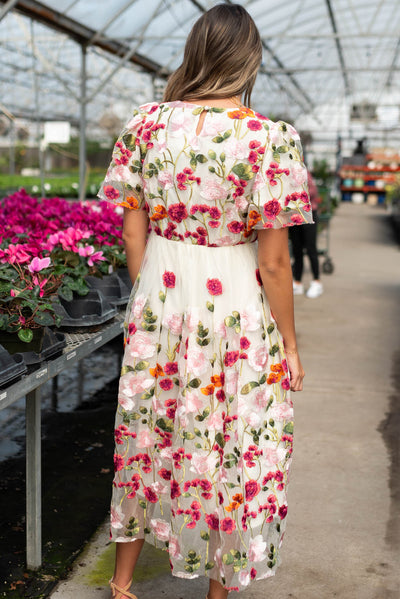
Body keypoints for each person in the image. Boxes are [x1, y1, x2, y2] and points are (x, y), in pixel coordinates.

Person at [98, 4, 312, 598]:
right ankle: (219, 590)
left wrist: (149, 298)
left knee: (144, 435)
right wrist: (291, 345)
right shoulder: (267, 138)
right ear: (249, 59)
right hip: (235, 309)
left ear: (195, 52)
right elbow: (272, 262)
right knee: (232, 441)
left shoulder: (145, 124)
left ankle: (121, 586)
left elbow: (133, 231)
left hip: (161, 299)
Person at [290, 171, 323, 298]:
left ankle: (316, 281)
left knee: (310, 248)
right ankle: (297, 282)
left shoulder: (302, 171)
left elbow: (313, 191)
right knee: (297, 249)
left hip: (308, 212)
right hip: (294, 214)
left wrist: (296, 194)